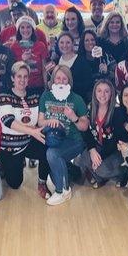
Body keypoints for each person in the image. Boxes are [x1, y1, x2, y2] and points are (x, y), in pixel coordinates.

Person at [0, 62, 51, 198]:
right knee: (15, 184)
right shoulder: (3, 96)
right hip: (10, 146)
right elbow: (9, 121)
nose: (22, 79)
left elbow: (39, 119)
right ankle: (5, 163)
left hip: (28, 141)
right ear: (12, 78)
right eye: (19, 76)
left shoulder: (35, 96)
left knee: (49, 149)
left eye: (25, 76)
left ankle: (42, 182)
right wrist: (33, 131)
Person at [38, 65, 89, 206]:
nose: (61, 81)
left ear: (69, 81)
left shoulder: (76, 99)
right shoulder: (46, 96)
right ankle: (73, 172)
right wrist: (50, 121)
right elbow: (40, 121)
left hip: (74, 140)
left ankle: (63, 191)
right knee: (55, 172)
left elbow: (84, 126)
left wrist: (74, 117)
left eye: (64, 79)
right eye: (58, 78)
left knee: (52, 154)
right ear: (53, 79)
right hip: (53, 139)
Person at [76, 80, 128, 188]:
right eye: (99, 91)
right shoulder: (91, 107)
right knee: (81, 160)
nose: (102, 94)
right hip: (98, 147)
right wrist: (92, 150)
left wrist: (99, 157)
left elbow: (116, 140)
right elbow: (87, 131)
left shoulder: (117, 111)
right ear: (95, 93)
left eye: (106, 91)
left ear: (111, 93)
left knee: (101, 168)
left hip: (114, 151)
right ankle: (100, 177)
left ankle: (122, 173)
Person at [9, 16, 49, 93]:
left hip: (38, 86)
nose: (25, 30)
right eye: (22, 27)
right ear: (18, 30)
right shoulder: (14, 47)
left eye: (28, 27)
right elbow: (12, 70)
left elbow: (44, 69)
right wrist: (22, 60)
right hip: (21, 86)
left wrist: (46, 86)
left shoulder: (40, 45)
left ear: (33, 29)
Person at [56, 32, 93, 102]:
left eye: (68, 42)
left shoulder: (82, 61)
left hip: (78, 102)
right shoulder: (56, 62)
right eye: (61, 42)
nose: (64, 45)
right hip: (60, 103)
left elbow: (88, 84)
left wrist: (68, 86)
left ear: (73, 44)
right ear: (58, 44)